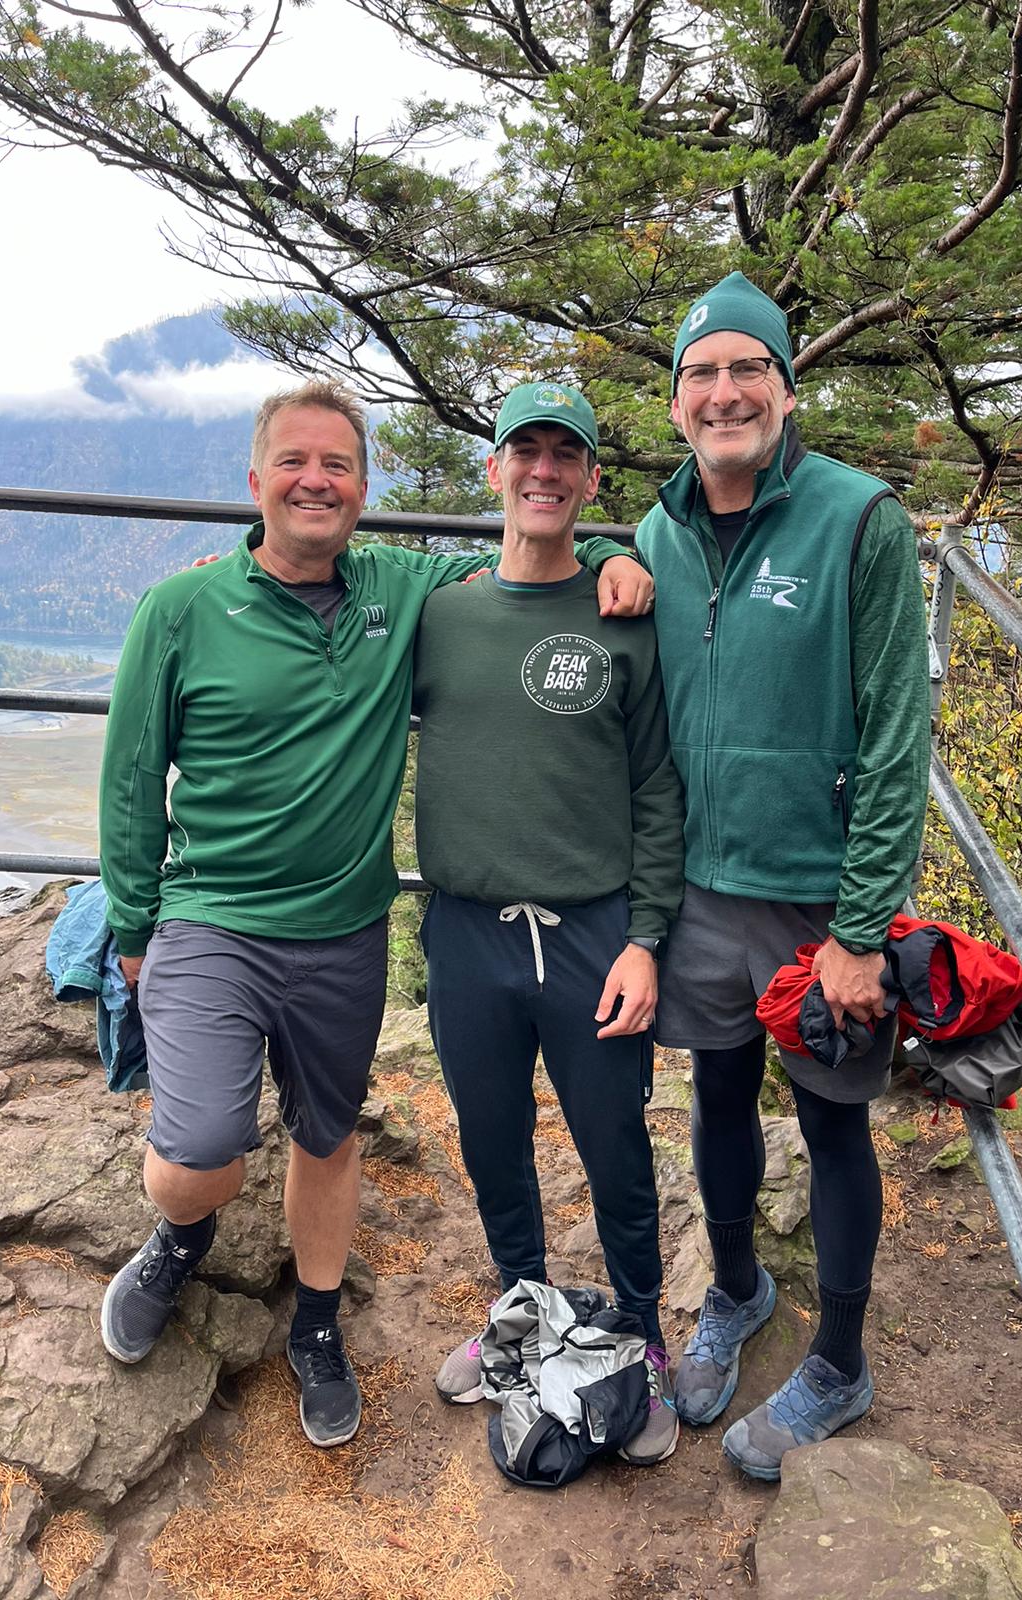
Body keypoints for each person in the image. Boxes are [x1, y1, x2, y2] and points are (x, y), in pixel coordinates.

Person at [96, 379, 651, 1449]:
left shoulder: (405, 588)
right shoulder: (181, 609)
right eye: (295, 463)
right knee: (202, 1145)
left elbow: (529, 562)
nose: (317, 480)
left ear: (363, 488)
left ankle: (316, 1324)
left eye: (339, 465)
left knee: (328, 1133)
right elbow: (131, 782)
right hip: (212, 915)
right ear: (256, 481)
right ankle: (181, 1231)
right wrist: (131, 930)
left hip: (346, 925)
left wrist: (632, 555)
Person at [637, 273, 930, 1478]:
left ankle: (841, 1362)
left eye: (747, 367)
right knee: (715, 1099)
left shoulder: (862, 521)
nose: (725, 392)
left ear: (787, 386)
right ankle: (741, 1291)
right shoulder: (654, 532)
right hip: (704, 884)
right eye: (702, 373)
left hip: (819, 902)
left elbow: (897, 733)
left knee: (831, 1121)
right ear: (675, 405)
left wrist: (863, 928)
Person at [412, 382, 685, 1467]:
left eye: (564, 455)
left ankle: (643, 1336)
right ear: (495, 471)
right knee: (492, 1141)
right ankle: (521, 1306)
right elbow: (328, 576)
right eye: (523, 450)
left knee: (615, 1144)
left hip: (593, 933)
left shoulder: (627, 614)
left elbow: (660, 787)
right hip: (467, 931)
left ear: (588, 482)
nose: (542, 470)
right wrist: (239, 544)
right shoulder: (442, 612)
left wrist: (646, 936)